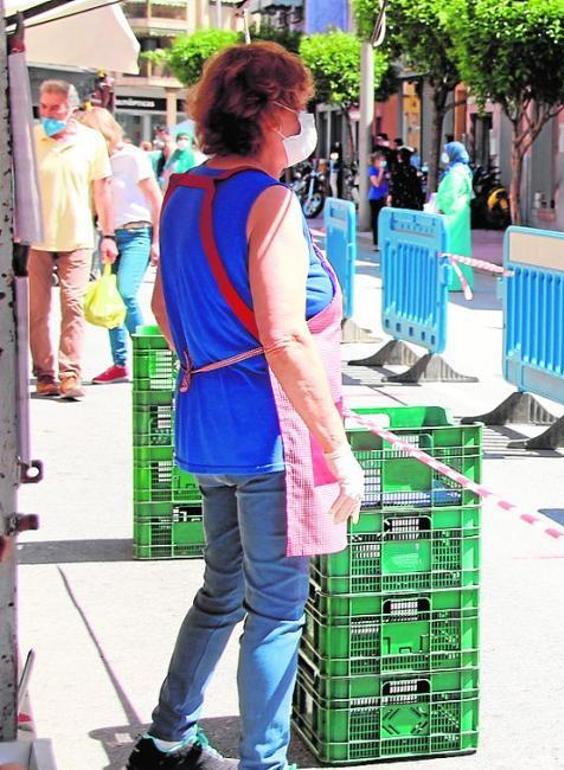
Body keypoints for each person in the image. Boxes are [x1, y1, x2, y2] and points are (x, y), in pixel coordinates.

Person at [128, 42, 364, 770]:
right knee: (277, 612)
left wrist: (215, 357)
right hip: (273, 436)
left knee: (220, 591)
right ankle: (265, 761)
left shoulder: (185, 189)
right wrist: (338, 449)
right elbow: (286, 335)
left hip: (208, 424)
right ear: (269, 112)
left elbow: (164, 304)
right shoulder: (269, 201)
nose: (304, 120)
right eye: (298, 104)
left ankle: (168, 739)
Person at [28, 79, 116, 401]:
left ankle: (70, 374)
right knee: (37, 310)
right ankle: (45, 374)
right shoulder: (30, 137)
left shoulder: (91, 142)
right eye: (45, 107)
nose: (49, 113)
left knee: (73, 305)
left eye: (56, 108)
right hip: (35, 238)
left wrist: (108, 234)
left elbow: (102, 189)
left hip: (78, 237)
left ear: (73, 110)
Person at [76, 105, 163, 384]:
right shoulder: (94, 162)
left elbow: (155, 200)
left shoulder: (132, 157)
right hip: (109, 235)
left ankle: (146, 359)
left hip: (137, 233)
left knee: (125, 293)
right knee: (110, 299)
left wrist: (158, 241)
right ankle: (120, 362)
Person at [434, 141, 474, 292]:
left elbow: (449, 195)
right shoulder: (462, 169)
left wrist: (439, 206)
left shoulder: (456, 172)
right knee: (460, 248)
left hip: (452, 213)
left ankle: (453, 281)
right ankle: (460, 280)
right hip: (460, 212)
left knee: (451, 246)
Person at [389, 145, 424, 210]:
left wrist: (390, 194)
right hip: (410, 198)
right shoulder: (412, 169)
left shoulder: (395, 169)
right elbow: (416, 185)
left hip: (398, 198)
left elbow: (393, 184)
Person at [366, 150, 389, 248]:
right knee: (376, 219)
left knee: (383, 219)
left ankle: (382, 239)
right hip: (375, 198)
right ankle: (376, 241)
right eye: (381, 160)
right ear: (376, 160)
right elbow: (376, 184)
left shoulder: (385, 170)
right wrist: (380, 172)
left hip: (383, 196)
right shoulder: (372, 170)